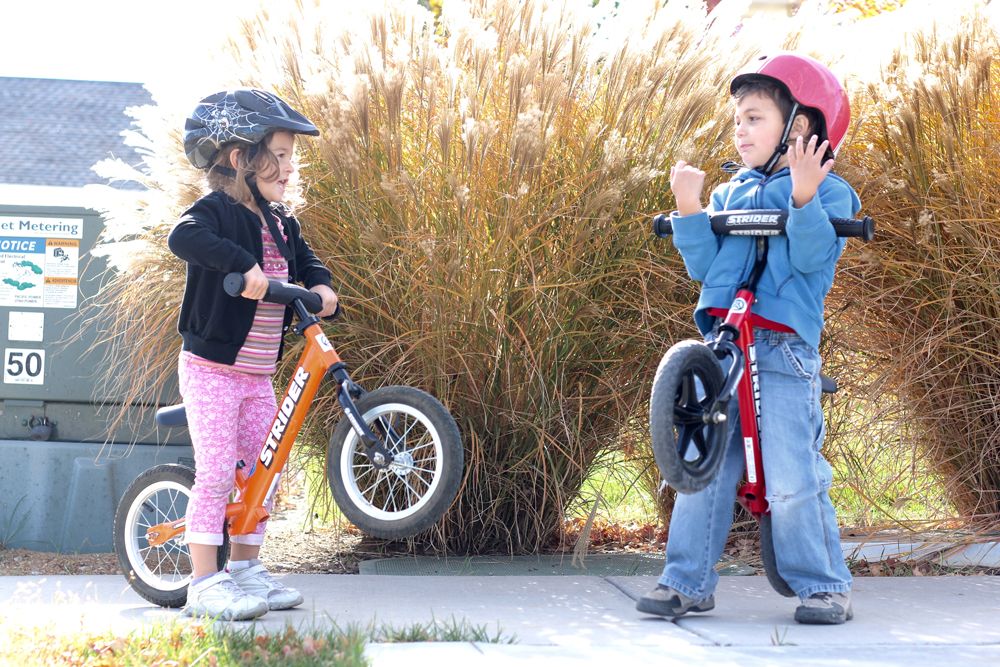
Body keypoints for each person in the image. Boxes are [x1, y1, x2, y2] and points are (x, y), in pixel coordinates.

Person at [638, 53, 860, 625]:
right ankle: (685, 581)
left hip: (782, 348)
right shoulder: (731, 194)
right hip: (723, 347)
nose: (740, 130)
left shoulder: (832, 194)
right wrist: (690, 209)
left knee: (790, 474)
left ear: (801, 127)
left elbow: (812, 255)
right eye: (737, 119)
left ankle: (823, 585)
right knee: (701, 466)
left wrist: (805, 198)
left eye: (755, 118)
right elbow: (706, 267)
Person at [168, 89, 339, 621]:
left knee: (266, 469)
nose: (290, 167)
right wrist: (244, 266)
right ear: (241, 157)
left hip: (258, 375)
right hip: (213, 372)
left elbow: (305, 261)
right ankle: (203, 583)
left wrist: (321, 284)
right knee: (218, 472)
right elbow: (184, 237)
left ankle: (244, 570)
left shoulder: (281, 220)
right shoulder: (216, 211)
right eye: (280, 155)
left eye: (292, 157)